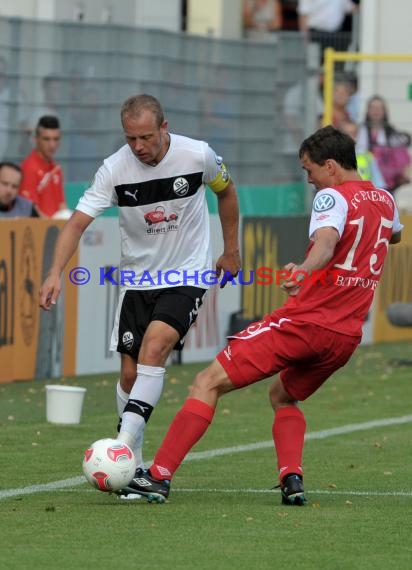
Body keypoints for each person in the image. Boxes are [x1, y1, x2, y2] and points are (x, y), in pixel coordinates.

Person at [122, 125, 403, 505]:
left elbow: (326, 242)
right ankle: (292, 479)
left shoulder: (332, 197)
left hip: (305, 324)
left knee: (207, 381)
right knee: (282, 396)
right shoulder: (385, 199)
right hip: (345, 337)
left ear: (332, 166)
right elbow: (394, 235)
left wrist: (304, 269)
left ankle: (158, 476)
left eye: (310, 171)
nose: (309, 181)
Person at [39, 93, 241, 485]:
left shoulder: (198, 155)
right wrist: (54, 272)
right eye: (131, 138)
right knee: (130, 375)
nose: (138, 147)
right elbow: (77, 223)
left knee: (155, 347)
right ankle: (134, 466)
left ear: (164, 128)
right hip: (138, 281)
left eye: (146, 137)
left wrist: (231, 249)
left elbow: (227, 192)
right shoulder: (114, 169)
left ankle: (121, 445)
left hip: (187, 274)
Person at [357, 95, 411, 194]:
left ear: (385, 111)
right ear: (368, 111)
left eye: (379, 108)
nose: (376, 111)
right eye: (373, 108)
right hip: (366, 182)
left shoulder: (391, 133)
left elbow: (405, 142)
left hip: (388, 184)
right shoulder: (361, 131)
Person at [20, 115, 68, 218]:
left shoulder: (56, 169)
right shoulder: (29, 167)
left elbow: (62, 205)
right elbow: (32, 210)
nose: (52, 145)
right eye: (46, 139)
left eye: (56, 139)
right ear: (36, 139)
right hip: (41, 230)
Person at [339, 119, 386, 188]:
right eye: (347, 134)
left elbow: (379, 184)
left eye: (354, 133)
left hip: (364, 196)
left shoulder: (368, 156)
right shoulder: (334, 157)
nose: (351, 137)